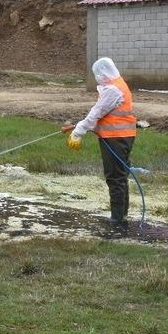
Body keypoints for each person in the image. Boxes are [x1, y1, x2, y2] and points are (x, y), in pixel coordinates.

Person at [63, 57, 137, 230]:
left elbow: (96, 112)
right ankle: (121, 216)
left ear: (103, 72)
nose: (97, 77)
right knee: (120, 177)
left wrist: (78, 131)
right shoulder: (118, 85)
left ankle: (117, 221)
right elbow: (106, 114)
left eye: (97, 74)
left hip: (116, 138)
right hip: (121, 136)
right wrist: (83, 126)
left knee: (115, 178)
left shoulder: (112, 90)